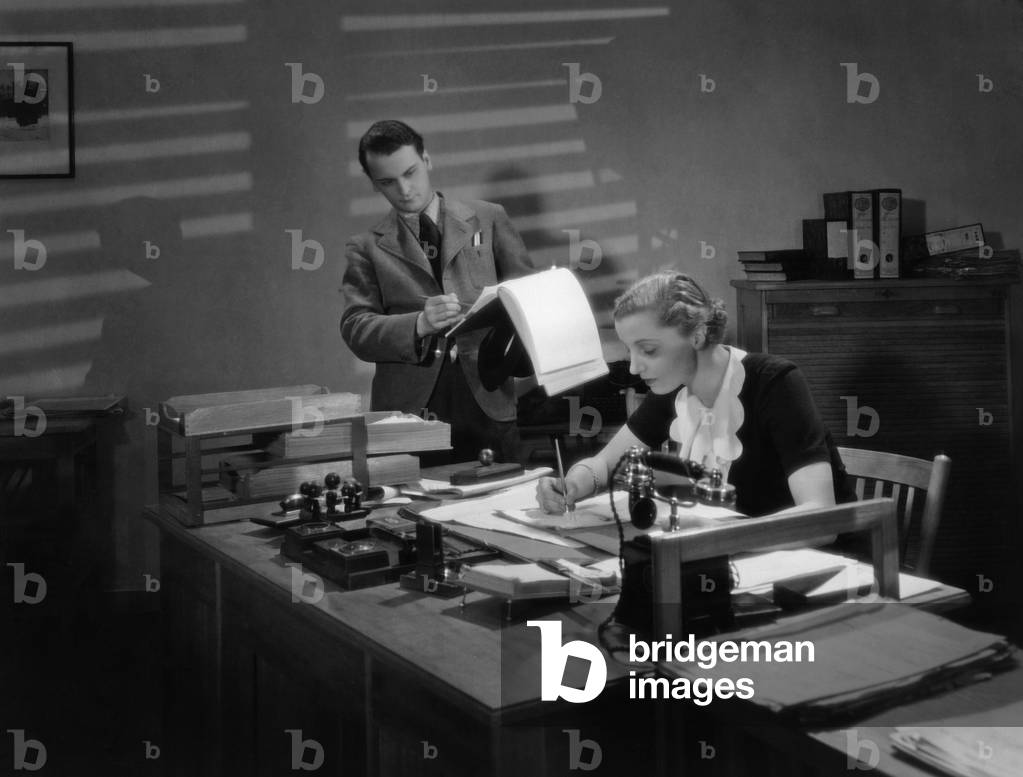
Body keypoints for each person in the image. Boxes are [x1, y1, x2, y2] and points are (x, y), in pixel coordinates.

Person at [536, 271, 853, 517]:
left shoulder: (775, 383)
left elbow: (819, 514)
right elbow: (605, 465)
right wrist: (574, 484)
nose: (633, 367)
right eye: (630, 350)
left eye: (648, 350)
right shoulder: (673, 389)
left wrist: (709, 542)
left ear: (698, 336)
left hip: (815, 564)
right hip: (731, 562)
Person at [341, 120, 535, 463]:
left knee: (504, 491)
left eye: (410, 172)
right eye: (387, 182)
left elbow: (531, 299)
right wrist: (418, 324)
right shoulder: (365, 248)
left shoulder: (489, 218)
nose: (404, 189)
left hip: (488, 397)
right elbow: (356, 328)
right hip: (409, 412)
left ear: (427, 160)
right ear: (373, 183)